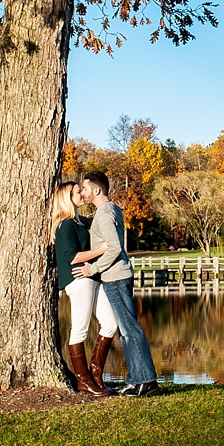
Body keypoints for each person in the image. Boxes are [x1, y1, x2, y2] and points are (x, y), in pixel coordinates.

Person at [74, 170, 159, 397]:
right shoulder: (110, 210)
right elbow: (98, 228)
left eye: (86, 188)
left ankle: (145, 381)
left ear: (97, 189)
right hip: (118, 277)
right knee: (126, 329)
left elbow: (114, 248)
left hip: (115, 278)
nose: (83, 192)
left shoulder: (104, 214)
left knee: (129, 329)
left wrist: (91, 268)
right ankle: (136, 379)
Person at [51, 181, 117, 396]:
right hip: (78, 281)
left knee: (110, 323)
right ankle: (83, 380)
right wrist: (102, 249)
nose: (82, 194)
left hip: (92, 279)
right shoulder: (65, 225)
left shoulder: (78, 222)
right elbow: (72, 257)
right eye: (78, 192)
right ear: (67, 197)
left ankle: (96, 376)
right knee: (79, 329)